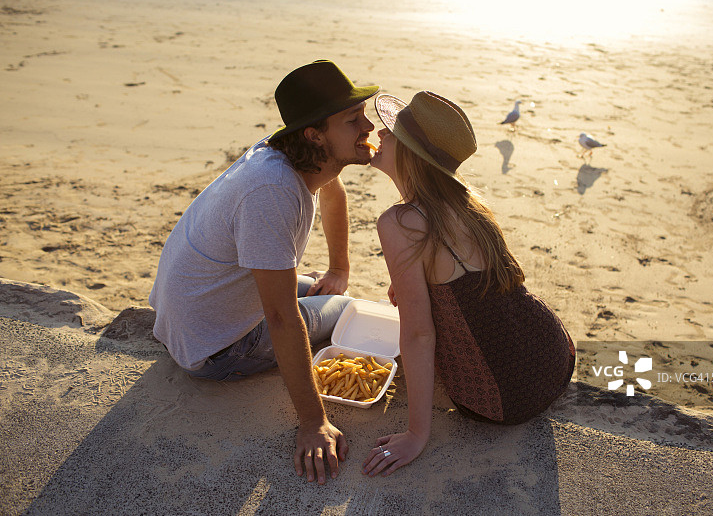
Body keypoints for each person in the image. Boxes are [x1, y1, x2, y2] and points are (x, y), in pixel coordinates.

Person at [149, 60, 379, 485]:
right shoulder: (271, 192)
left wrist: (339, 268)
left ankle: (326, 287)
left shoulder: (290, 150)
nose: (369, 127)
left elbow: (333, 190)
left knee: (320, 286)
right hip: (215, 349)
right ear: (315, 134)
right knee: (347, 307)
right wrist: (313, 423)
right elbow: (278, 316)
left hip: (190, 314)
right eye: (353, 120)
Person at [361, 91, 576, 477]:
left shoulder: (399, 223)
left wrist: (415, 434)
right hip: (554, 357)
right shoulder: (468, 203)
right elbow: (481, 289)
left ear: (410, 153)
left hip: (503, 399)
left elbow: (419, 335)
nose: (379, 132)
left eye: (390, 132)